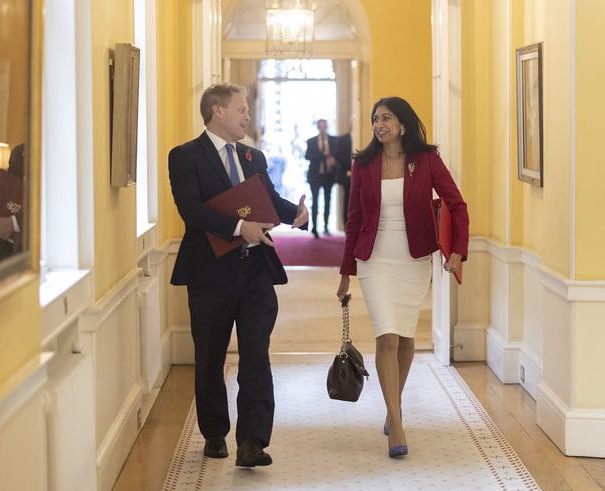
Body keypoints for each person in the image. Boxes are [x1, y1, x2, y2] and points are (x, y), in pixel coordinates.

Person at [168, 83, 309, 468]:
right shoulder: (185, 157)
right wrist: (238, 227)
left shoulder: (253, 156)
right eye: (241, 109)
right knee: (211, 355)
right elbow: (191, 210)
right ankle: (215, 433)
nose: (247, 115)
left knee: (256, 356)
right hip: (209, 274)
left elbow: (267, 199)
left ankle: (252, 441)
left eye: (247, 109)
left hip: (254, 272)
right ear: (217, 112)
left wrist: (295, 214)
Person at [336, 96, 469, 458]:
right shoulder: (363, 164)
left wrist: (457, 250)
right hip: (374, 258)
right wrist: (346, 271)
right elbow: (353, 220)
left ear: (403, 125)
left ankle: (392, 405)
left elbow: (457, 204)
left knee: (406, 336)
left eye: (386, 118)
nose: (379, 125)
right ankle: (397, 423)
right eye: (375, 119)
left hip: (413, 260)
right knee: (387, 337)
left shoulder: (425, 160)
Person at [305, 119, 339, 238]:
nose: (323, 129)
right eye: (321, 127)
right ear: (318, 127)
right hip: (315, 175)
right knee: (315, 201)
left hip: (329, 175)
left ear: (327, 127)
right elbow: (307, 156)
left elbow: (338, 155)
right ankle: (314, 227)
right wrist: (323, 154)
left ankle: (326, 226)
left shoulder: (334, 140)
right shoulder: (311, 141)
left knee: (327, 201)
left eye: (325, 126)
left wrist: (333, 159)